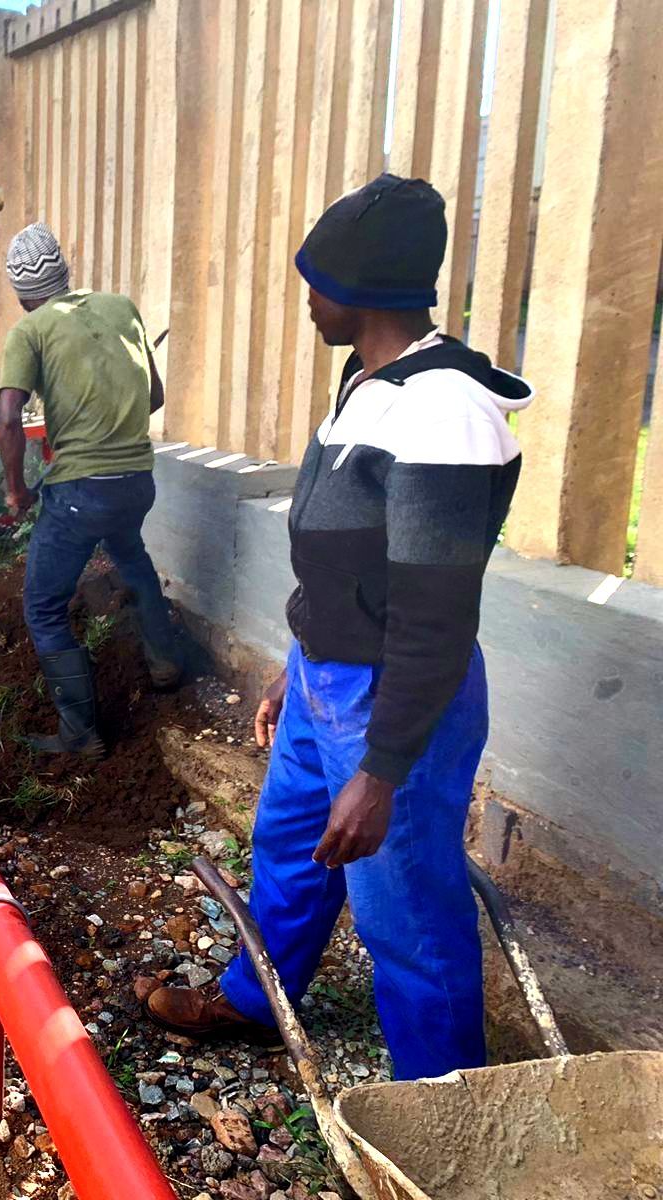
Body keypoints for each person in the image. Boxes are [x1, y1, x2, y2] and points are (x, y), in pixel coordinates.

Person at [146, 176, 533, 1081]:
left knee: (406, 914)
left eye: (317, 280)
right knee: (289, 849)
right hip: (330, 681)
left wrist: (382, 773)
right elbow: (346, 568)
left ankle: (442, 1111)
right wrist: (297, 661)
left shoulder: (445, 414)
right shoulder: (365, 383)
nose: (308, 296)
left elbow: (435, 620)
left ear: (362, 291)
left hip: (397, 699)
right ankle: (256, 1001)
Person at [0, 223, 183, 759]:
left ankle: (80, 732)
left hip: (81, 491)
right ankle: (166, 662)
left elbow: (9, 418)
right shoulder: (122, 307)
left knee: (44, 607)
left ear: (19, 290)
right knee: (130, 554)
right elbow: (154, 397)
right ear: (65, 270)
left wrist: (16, 491)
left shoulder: (29, 332)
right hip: (136, 482)